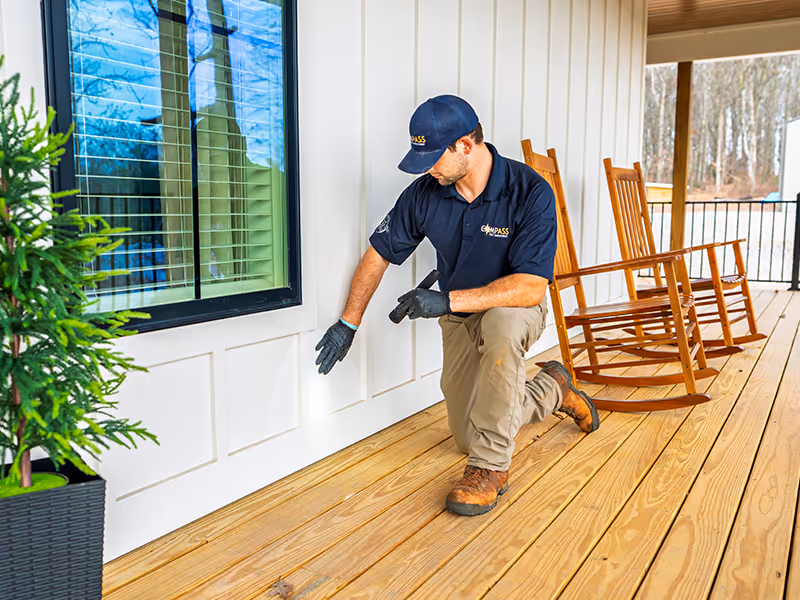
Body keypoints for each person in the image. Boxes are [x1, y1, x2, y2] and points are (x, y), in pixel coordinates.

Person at [314, 95, 599, 516]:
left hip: (515, 309)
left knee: (502, 326)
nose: (427, 167)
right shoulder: (426, 194)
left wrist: (446, 299)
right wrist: (348, 324)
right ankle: (552, 387)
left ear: (466, 145)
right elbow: (379, 253)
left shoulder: (530, 192)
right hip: (459, 318)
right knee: (468, 433)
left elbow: (530, 288)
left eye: (433, 156)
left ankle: (489, 470)